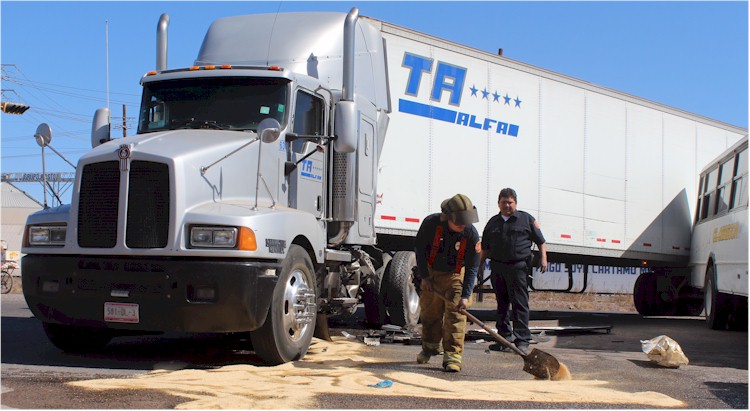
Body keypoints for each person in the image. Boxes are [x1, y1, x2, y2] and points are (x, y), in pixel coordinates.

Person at [413, 194, 480, 373]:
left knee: (456, 317)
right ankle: (430, 348)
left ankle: (453, 357)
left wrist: (466, 296)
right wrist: (425, 277)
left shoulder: (471, 234)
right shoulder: (430, 224)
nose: (463, 225)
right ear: (447, 217)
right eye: (458, 221)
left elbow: (473, 268)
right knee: (429, 313)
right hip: (432, 273)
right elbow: (419, 251)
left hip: (456, 276)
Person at [478, 188, 548, 355]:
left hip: (518, 268)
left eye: (510, 202)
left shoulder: (526, 219)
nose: (507, 205)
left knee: (520, 304)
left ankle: (522, 340)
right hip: (498, 268)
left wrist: (543, 258)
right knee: (502, 305)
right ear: (498, 203)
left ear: (515, 203)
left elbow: (541, 241)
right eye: (504, 202)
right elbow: (485, 247)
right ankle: (504, 339)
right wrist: (479, 266)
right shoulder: (493, 223)